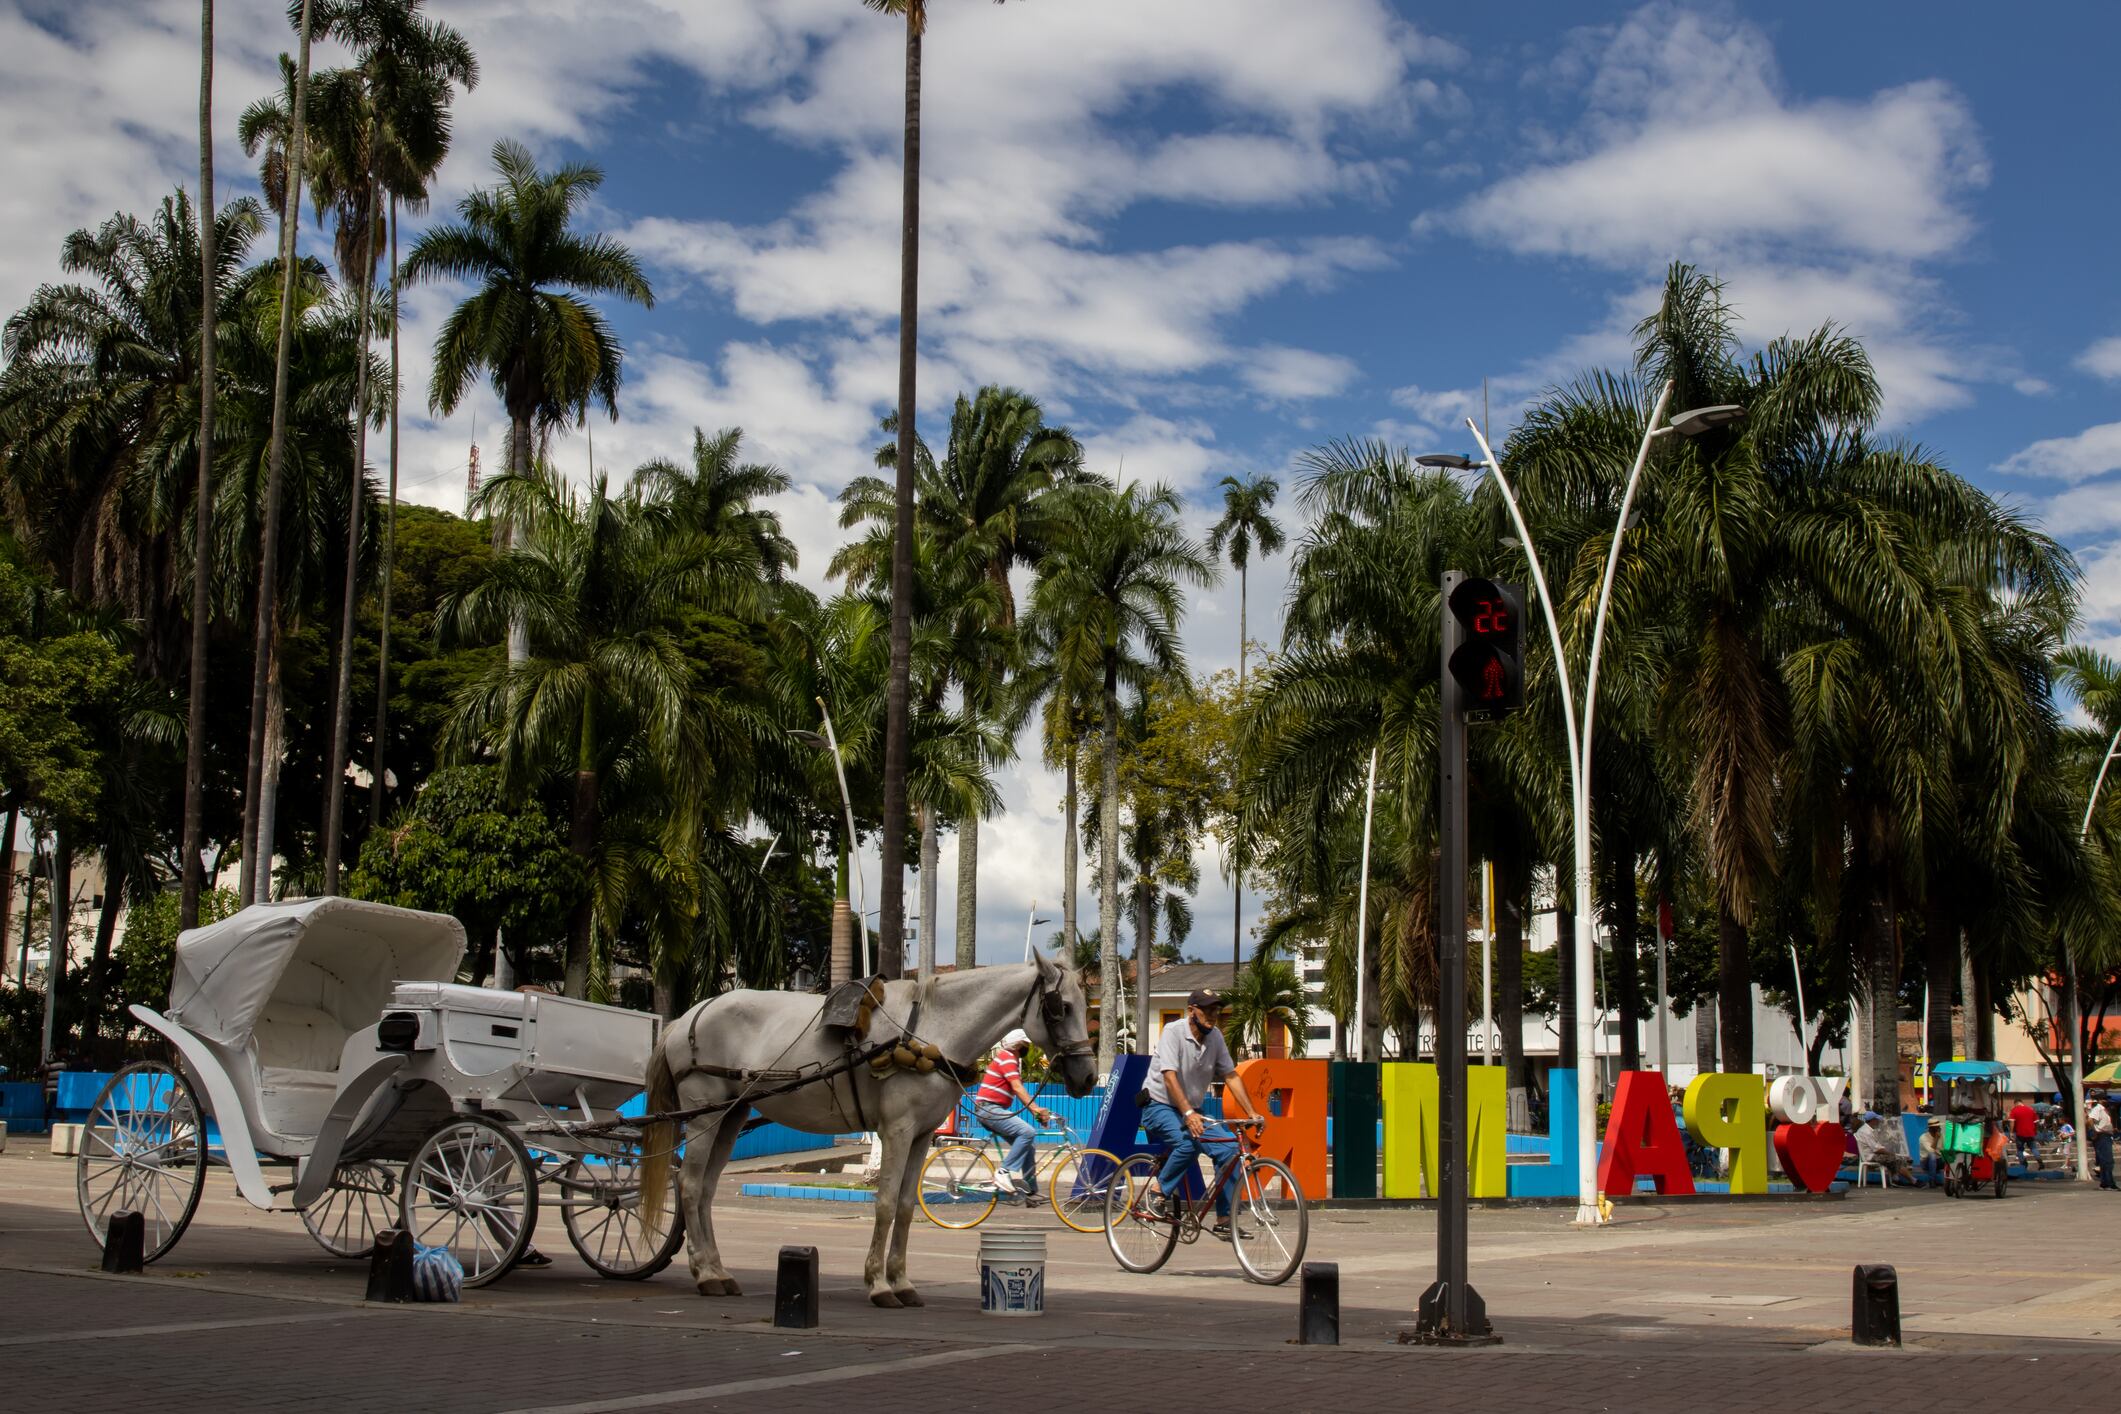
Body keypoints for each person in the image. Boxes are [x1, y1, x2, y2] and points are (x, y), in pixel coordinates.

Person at [1139, 988, 1261, 1240]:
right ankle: (1157, 1192)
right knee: (1187, 1142)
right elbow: (1169, 1077)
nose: (1213, 1014)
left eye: (1216, 1009)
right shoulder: (1173, 1032)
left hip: (1193, 1109)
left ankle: (1225, 1220)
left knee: (1229, 1150)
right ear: (1191, 1011)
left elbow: (1230, 1075)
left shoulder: (1215, 1037)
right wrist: (1187, 1113)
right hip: (1158, 1105)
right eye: (1207, 1009)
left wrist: (1252, 1112)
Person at [973, 1028, 1055, 1205]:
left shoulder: (1011, 1059)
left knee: (1029, 1147)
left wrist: (1037, 1113)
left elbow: (1017, 1091)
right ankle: (1003, 1173)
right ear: (1018, 1045)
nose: (1027, 1048)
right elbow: (1017, 1088)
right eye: (1025, 1044)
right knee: (1027, 1133)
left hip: (994, 1109)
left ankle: (1029, 1192)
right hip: (990, 1109)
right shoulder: (1007, 1058)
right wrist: (1035, 1109)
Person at [1855, 1110, 1912, 1184]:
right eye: (1877, 1120)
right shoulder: (1866, 1132)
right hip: (1871, 1156)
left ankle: (1896, 1178)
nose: (1878, 1121)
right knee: (1896, 1158)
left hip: (1873, 1154)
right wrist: (1892, 1153)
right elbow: (1876, 1149)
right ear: (1873, 1120)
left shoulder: (1868, 1130)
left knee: (1898, 1158)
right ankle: (1912, 1180)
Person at [2089, 1090, 2117, 1190]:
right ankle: (2109, 1183)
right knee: (2107, 1161)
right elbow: (2090, 1119)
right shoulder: (2098, 1109)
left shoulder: (2105, 1110)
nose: (2106, 1100)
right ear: (2100, 1100)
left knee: (2107, 1161)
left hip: (2107, 1135)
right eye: (2104, 1099)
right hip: (2102, 1136)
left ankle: (2105, 1183)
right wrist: (2096, 1131)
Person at [2008, 1096, 2039, 1170]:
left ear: (2015, 1103)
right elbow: (2036, 1122)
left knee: (2020, 1150)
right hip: (2031, 1133)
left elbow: (2012, 1122)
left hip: (2020, 1134)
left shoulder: (2014, 1110)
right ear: (2022, 1102)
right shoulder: (2031, 1110)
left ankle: (2023, 1164)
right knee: (2033, 1148)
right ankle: (2039, 1158)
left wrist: (2011, 1132)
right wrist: (2035, 1131)